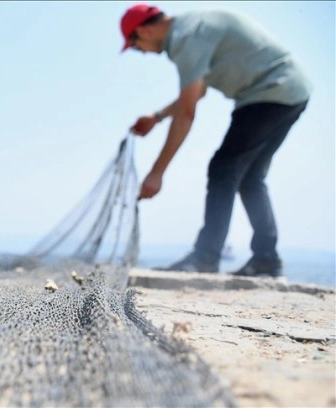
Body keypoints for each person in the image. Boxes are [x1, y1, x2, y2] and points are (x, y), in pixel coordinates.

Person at [120, 3, 312, 278]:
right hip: (292, 90)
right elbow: (197, 92)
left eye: (136, 46)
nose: (143, 53)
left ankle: (206, 258)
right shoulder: (192, 28)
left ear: (144, 31)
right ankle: (266, 260)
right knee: (250, 176)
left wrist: (156, 173)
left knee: (223, 168)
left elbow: (187, 114)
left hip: (269, 91)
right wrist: (157, 117)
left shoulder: (186, 39)